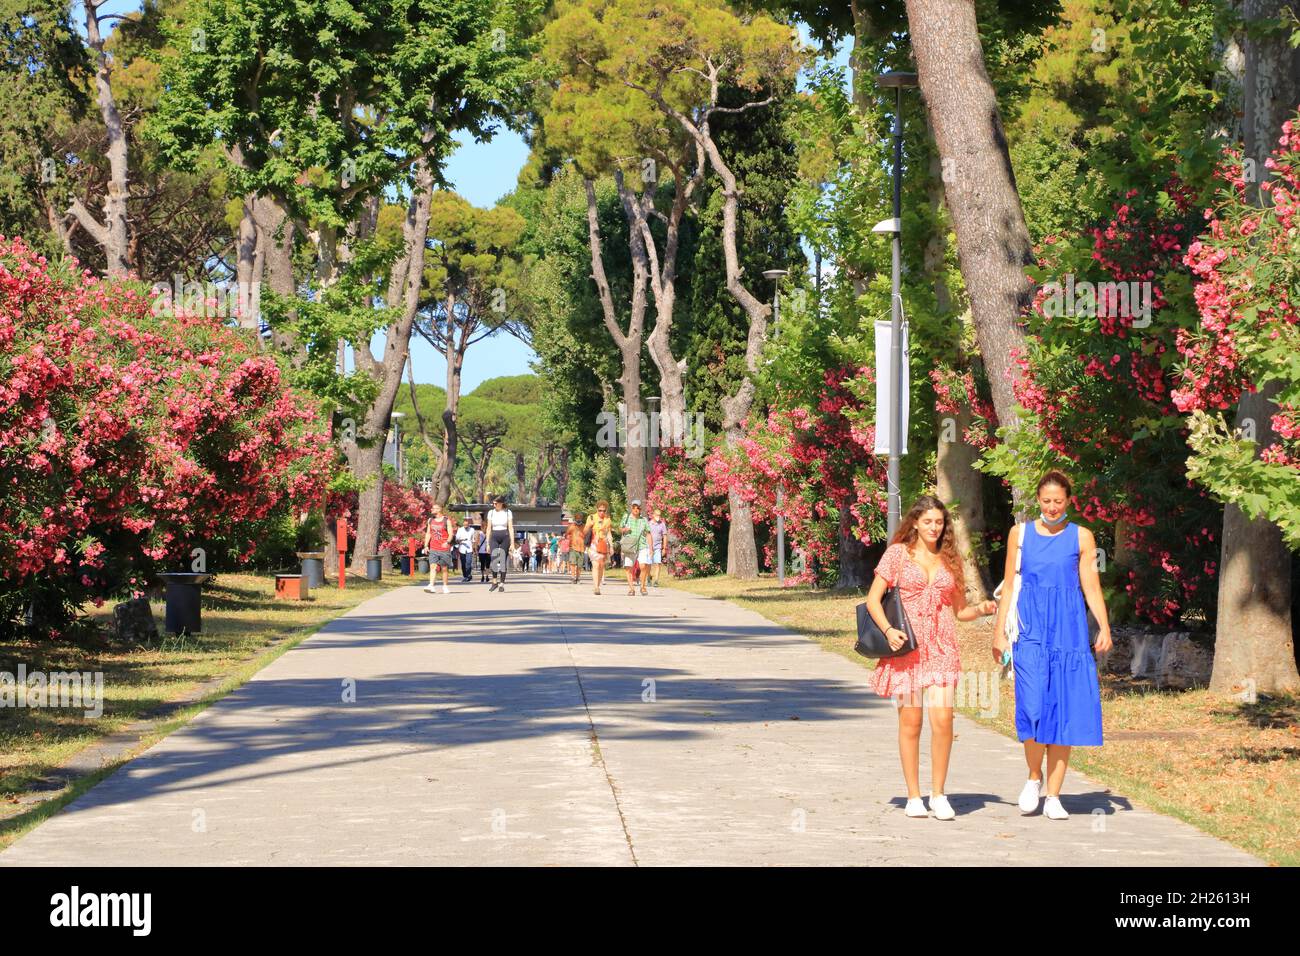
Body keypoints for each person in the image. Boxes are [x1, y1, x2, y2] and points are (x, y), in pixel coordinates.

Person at [864, 495, 998, 820]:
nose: (934, 528)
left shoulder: (950, 559)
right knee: (912, 722)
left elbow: (960, 611)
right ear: (915, 522)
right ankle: (913, 796)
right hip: (907, 650)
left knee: (943, 721)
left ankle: (938, 794)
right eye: (928, 521)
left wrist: (981, 609)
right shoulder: (897, 554)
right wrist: (887, 631)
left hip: (941, 649)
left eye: (939, 522)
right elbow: (872, 599)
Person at [992, 470, 1109, 821]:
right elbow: (1010, 586)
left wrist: (1103, 625)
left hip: (1069, 631)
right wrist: (999, 633)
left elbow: (1090, 585)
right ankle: (1033, 777)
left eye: (1059, 501)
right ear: (1038, 501)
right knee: (1031, 706)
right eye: (1047, 501)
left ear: (1069, 500)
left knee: (1064, 709)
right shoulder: (1020, 534)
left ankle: (1055, 795)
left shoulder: (1082, 537)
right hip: (1029, 630)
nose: (1053, 507)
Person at [618, 499, 651, 595]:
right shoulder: (626, 517)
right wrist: (624, 529)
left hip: (642, 545)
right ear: (631, 508)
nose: (636, 509)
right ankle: (631, 589)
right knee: (628, 567)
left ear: (640, 509)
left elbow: (648, 533)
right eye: (634, 507)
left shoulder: (644, 520)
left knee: (643, 566)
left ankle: (643, 587)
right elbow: (620, 528)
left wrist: (651, 548)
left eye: (638, 507)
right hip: (629, 545)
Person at [422, 503, 456, 595]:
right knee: (433, 566)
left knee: (444, 568)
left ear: (439, 509)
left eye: (433, 508)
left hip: (444, 548)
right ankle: (431, 586)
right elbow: (428, 533)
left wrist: (447, 542)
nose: (431, 510)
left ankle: (445, 586)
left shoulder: (446, 520)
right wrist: (426, 545)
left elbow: (451, 534)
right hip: (433, 548)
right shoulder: (430, 520)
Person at [485, 496, 514, 592]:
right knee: (494, 559)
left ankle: (502, 583)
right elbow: (488, 528)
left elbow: (510, 528)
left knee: (502, 560)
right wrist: (487, 543)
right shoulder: (491, 512)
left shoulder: (508, 512)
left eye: (496, 503)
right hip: (494, 536)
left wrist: (512, 543)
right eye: (493, 503)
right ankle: (494, 582)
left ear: (501, 503)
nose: (494, 505)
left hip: (505, 536)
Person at [584, 501, 613, 595]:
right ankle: (596, 587)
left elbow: (609, 533)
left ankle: (598, 585)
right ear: (597, 509)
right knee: (595, 565)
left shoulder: (608, 519)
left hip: (603, 544)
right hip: (593, 544)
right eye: (600, 510)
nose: (602, 512)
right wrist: (589, 525)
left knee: (601, 565)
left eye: (604, 510)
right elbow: (584, 531)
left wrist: (611, 546)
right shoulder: (591, 517)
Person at [647, 508, 669, 588]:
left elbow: (665, 536)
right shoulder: (649, 524)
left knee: (658, 563)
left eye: (659, 515)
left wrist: (664, 548)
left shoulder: (662, 524)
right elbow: (646, 535)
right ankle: (649, 578)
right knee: (648, 564)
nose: (658, 517)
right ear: (653, 515)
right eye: (656, 515)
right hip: (649, 547)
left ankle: (656, 580)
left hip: (658, 547)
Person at [565, 513, 586, 584]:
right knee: (573, 563)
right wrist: (569, 539)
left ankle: (578, 577)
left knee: (579, 565)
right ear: (575, 518)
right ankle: (573, 577)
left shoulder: (584, 527)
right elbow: (566, 534)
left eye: (580, 518)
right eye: (577, 518)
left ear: (582, 519)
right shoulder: (571, 526)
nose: (579, 519)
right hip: (573, 547)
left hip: (582, 548)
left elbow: (588, 535)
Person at [454, 516, 475, 582]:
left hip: (469, 549)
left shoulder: (472, 530)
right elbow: (456, 540)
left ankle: (468, 575)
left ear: (469, 524)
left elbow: (473, 540)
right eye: (464, 525)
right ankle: (465, 576)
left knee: (468, 563)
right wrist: (461, 540)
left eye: (467, 525)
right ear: (463, 524)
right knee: (463, 563)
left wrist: (475, 548)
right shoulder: (460, 530)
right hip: (462, 549)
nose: (465, 526)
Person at [477, 516, 491, 582]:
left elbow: (477, 542)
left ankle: (485, 576)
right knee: (484, 564)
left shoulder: (489, 533)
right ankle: (484, 576)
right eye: (484, 526)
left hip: (486, 551)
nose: (485, 527)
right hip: (483, 551)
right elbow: (477, 542)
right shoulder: (480, 533)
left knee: (485, 564)